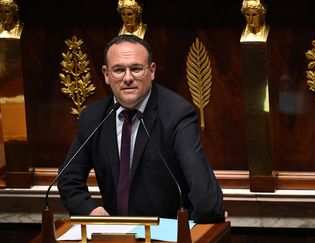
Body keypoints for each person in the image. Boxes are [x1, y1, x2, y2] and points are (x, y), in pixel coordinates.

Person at [57, 34, 225, 223]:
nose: (128, 78)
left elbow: (202, 190)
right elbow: (68, 179)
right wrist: (90, 211)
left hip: (164, 234)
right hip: (115, 234)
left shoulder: (178, 115)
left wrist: (205, 220)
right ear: (106, 74)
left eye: (136, 69)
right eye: (119, 70)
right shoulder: (94, 117)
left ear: (152, 71)